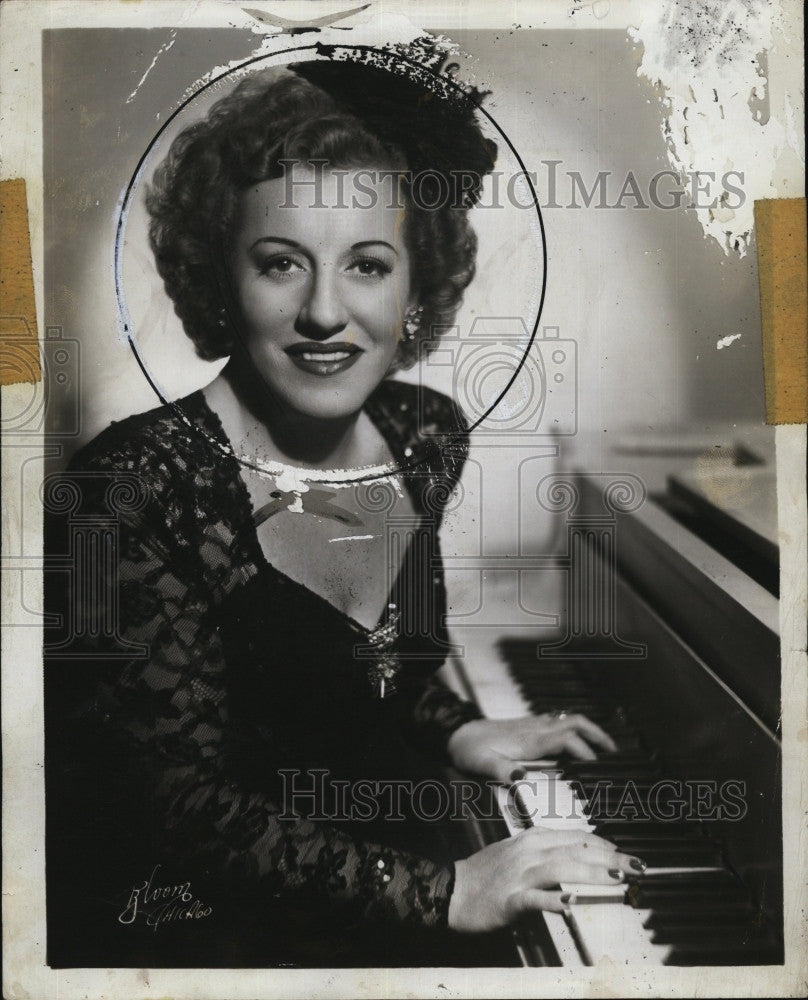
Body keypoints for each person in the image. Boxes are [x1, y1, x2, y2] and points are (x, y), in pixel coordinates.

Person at [45, 59, 641, 969]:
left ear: (414, 292)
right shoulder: (126, 490)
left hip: (417, 867)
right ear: (220, 278)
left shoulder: (423, 435)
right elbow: (170, 813)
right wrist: (446, 892)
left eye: (368, 265)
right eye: (281, 264)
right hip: (227, 947)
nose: (325, 311)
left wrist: (454, 727)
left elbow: (364, 683)